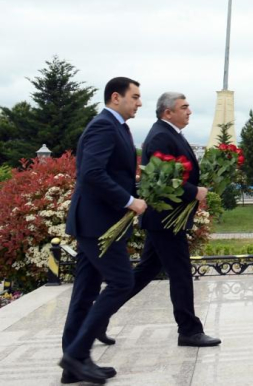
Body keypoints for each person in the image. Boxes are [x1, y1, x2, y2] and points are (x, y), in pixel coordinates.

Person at [102, 92, 221, 348]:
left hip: (165, 218)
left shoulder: (170, 134)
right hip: (164, 218)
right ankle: (189, 330)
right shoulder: (159, 136)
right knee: (180, 273)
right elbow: (160, 179)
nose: (189, 112)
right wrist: (194, 191)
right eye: (184, 107)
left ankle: (98, 316)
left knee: (145, 271)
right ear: (168, 112)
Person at [60, 77, 147, 384]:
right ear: (115, 97)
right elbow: (91, 173)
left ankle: (74, 365)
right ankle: (76, 354)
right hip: (97, 224)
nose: (139, 102)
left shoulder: (118, 127)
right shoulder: (103, 126)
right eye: (134, 96)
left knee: (84, 293)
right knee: (122, 282)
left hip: (97, 223)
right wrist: (129, 200)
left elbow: (110, 169)